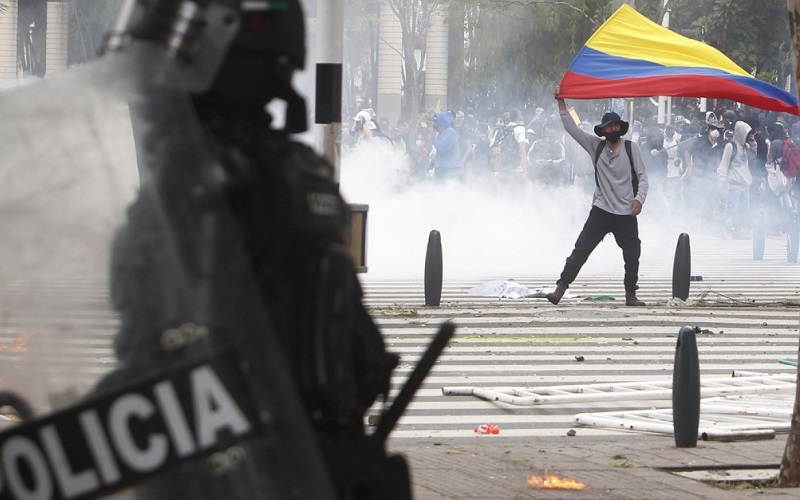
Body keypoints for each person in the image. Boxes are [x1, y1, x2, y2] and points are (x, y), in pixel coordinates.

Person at [100, 0, 410, 498]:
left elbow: (152, 353)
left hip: (220, 474)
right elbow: (359, 356)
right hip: (305, 463)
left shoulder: (197, 185)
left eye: (173, 51)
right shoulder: (302, 173)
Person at [547, 93, 649, 307]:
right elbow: (572, 129)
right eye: (608, 127)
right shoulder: (596, 146)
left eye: (615, 126)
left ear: (620, 128)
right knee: (580, 250)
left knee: (632, 256)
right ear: (602, 131)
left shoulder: (631, 148)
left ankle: (631, 295)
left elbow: (643, 178)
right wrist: (562, 104)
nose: (612, 129)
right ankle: (560, 289)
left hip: (625, 213)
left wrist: (639, 199)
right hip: (601, 210)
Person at [684, 113, 726, 224]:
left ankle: (707, 221)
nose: (715, 131)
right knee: (697, 199)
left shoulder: (721, 145)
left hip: (712, 176)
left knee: (710, 199)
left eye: (718, 129)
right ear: (709, 129)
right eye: (713, 128)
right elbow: (687, 152)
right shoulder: (699, 141)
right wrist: (689, 167)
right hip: (698, 175)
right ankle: (693, 221)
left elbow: (720, 160)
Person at [717, 120, 756, 239]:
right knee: (731, 209)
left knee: (744, 210)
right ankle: (725, 230)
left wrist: (753, 142)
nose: (748, 135)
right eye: (747, 133)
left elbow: (754, 155)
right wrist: (721, 180)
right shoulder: (731, 146)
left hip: (745, 184)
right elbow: (724, 163)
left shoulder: (746, 146)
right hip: (734, 184)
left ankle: (738, 231)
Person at [430, 110, 462, 181]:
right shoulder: (441, 134)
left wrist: (433, 138)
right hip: (442, 170)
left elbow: (443, 148)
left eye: (436, 122)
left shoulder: (450, 132)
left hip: (449, 170)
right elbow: (440, 155)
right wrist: (433, 163)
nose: (434, 125)